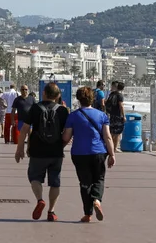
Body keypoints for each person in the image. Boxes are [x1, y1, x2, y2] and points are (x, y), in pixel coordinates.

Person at [15, 82, 69, 221]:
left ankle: (40, 200)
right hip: (56, 152)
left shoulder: (35, 108)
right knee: (55, 182)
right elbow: (68, 134)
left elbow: (24, 130)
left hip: (37, 151)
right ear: (57, 96)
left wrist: (19, 148)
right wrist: (61, 145)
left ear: (43, 93)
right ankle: (51, 212)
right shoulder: (63, 111)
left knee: (34, 178)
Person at [62, 87, 116, 223]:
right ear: (92, 99)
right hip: (98, 152)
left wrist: (58, 149)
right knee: (99, 179)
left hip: (79, 153)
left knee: (85, 183)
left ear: (79, 99)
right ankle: (97, 200)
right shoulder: (102, 115)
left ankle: (87, 214)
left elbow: (66, 137)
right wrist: (112, 154)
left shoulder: (73, 116)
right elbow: (108, 137)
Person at [105, 81, 125, 152]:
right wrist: (123, 116)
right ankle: (114, 148)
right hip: (118, 116)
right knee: (117, 133)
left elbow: (106, 103)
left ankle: (110, 147)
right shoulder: (119, 95)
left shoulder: (111, 94)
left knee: (112, 132)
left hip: (111, 115)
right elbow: (121, 106)